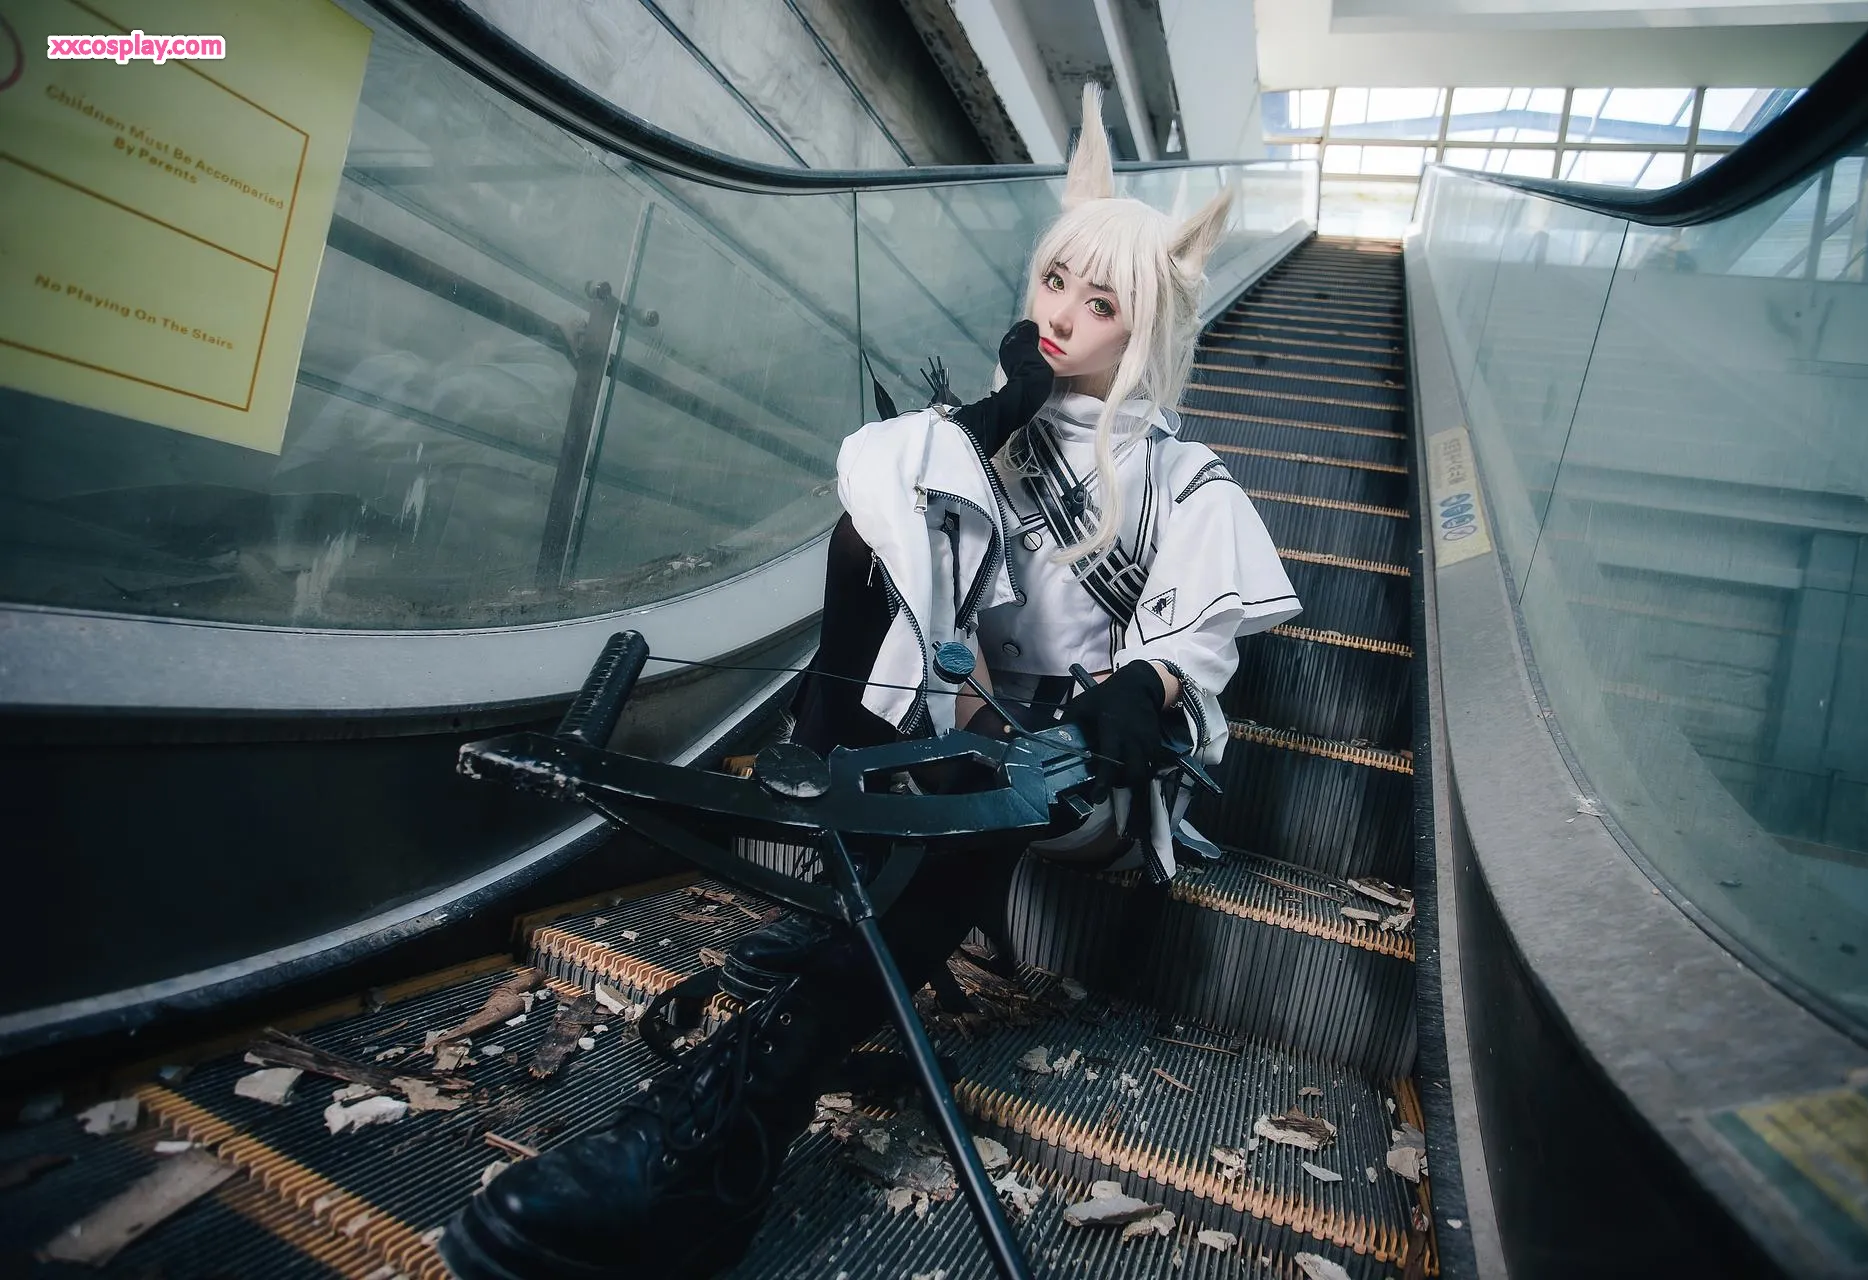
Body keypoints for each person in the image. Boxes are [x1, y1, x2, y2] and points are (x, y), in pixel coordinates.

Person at [440, 85, 1302, 1280]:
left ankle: (742, 1121)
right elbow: (885, 501)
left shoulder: (1183, 476)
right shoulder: (994, 431)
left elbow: (1196, 641)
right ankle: (840, 894)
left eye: (1102, 303)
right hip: (955, 725)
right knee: (872, 542)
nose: (1060, 315)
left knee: (986, 771)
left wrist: (1141, 685)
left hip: (1080, 776)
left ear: (1149, 324)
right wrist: (998, 412)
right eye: (1054, 280)